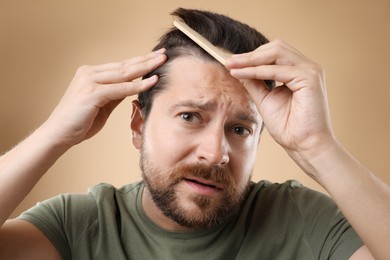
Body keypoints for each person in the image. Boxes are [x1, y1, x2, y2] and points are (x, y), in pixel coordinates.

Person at [0, 7, 388, 259]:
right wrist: (53, 135)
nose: (216, 152)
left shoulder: (304, 222)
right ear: (139, 125)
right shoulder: (77, 226)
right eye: (190, 117)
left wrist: (317, 147)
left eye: (240, 128)